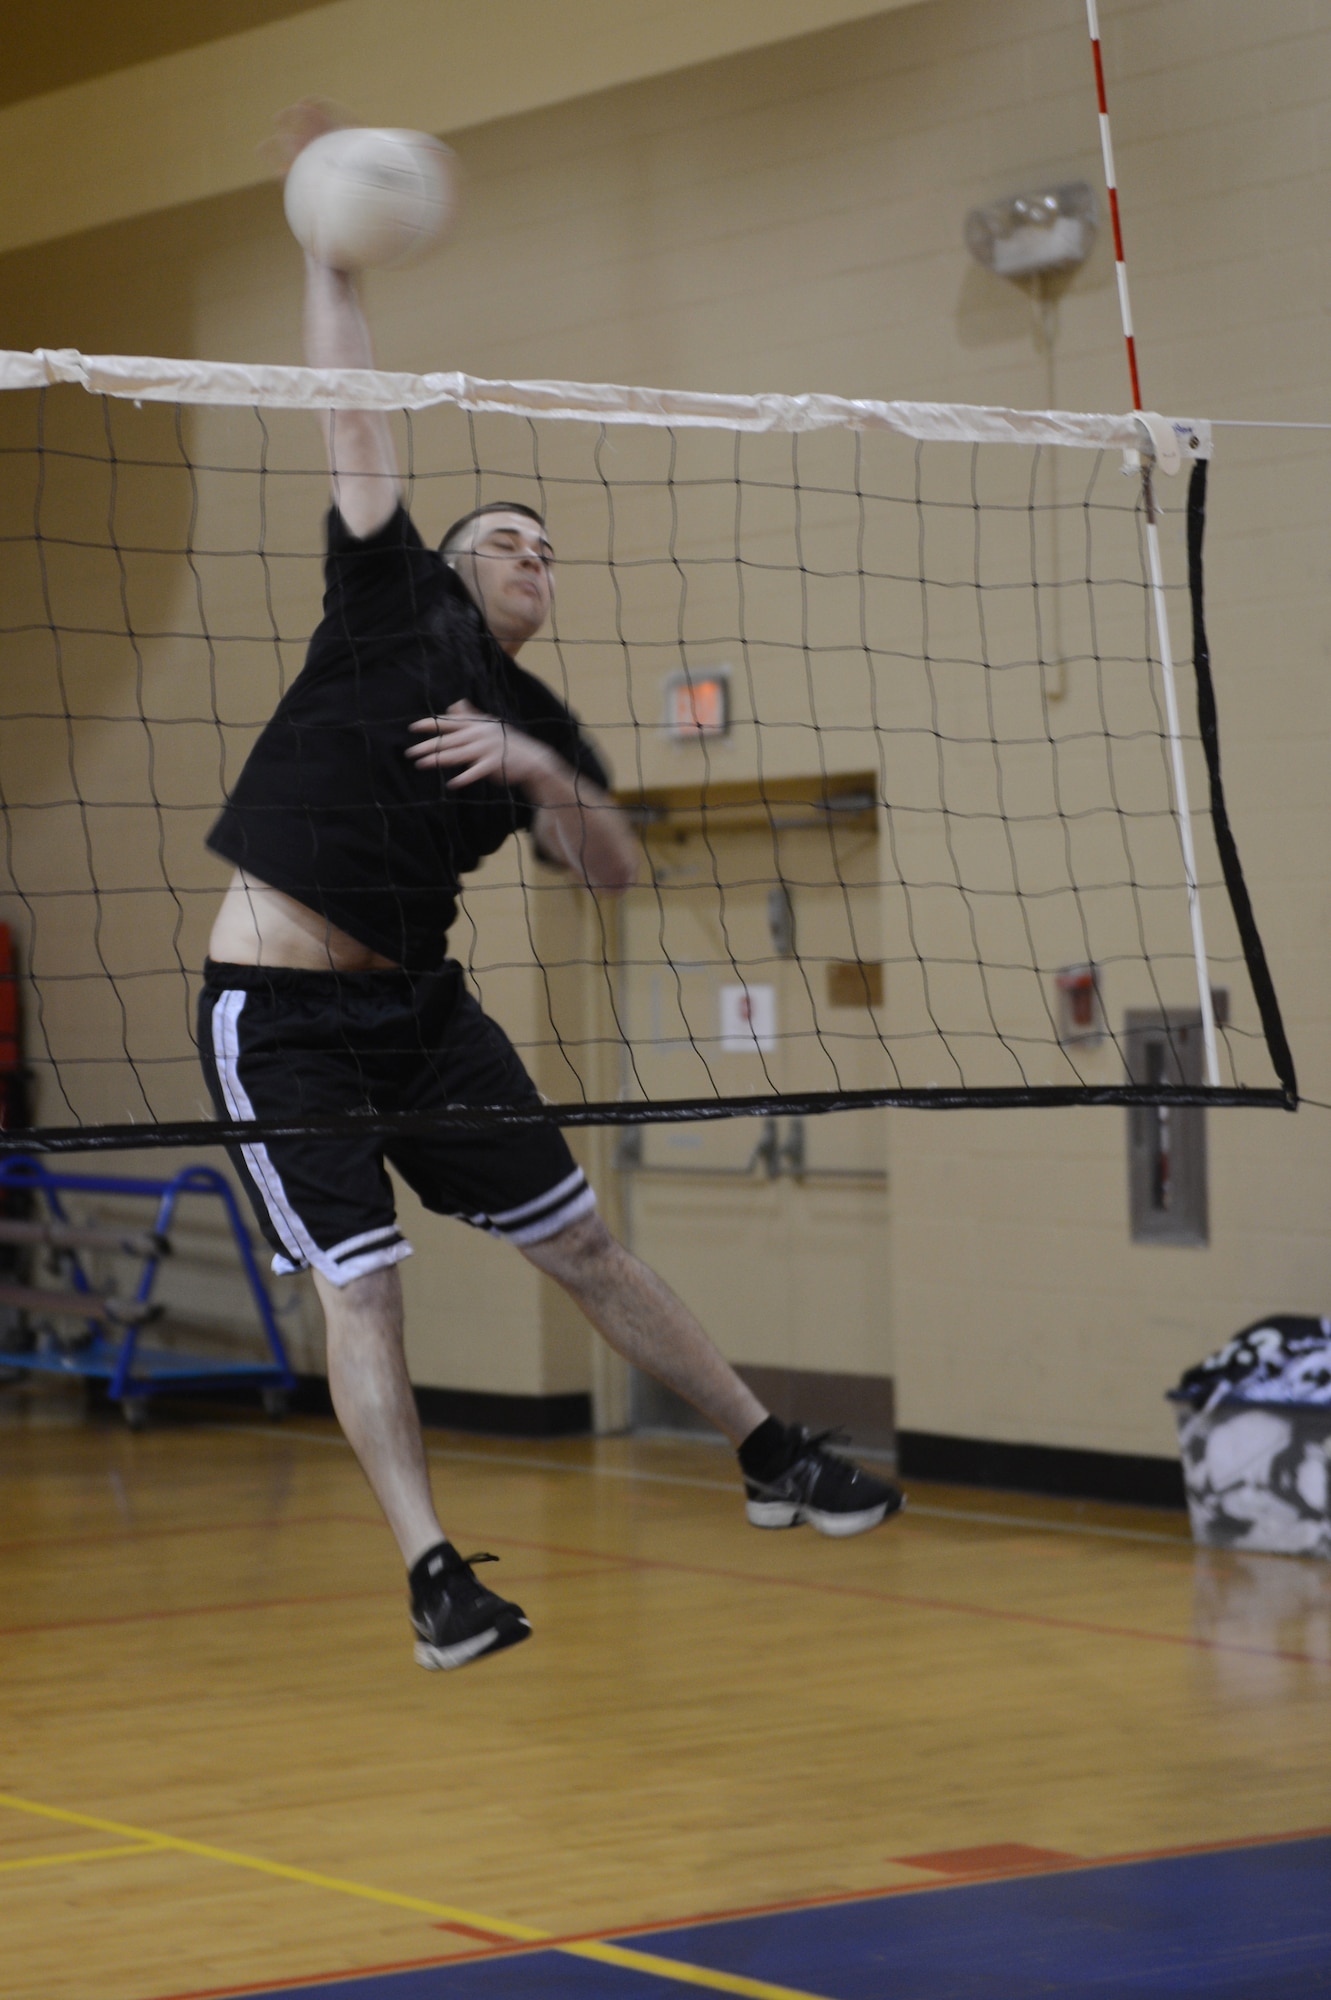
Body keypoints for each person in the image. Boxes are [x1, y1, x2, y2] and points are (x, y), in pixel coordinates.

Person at [199, 105, 902, 1673]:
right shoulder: (387, 594)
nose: (536, 555)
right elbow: (351, 409)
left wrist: (536, 776)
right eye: (509, 537)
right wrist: (326, 250)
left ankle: (768, 1449)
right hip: (284, 1012)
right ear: (448, 564)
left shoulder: (544, 724)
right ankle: (436, 1574)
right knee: (364, 1291)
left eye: (551, 550)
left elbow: (614, 866)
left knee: (584, 1240)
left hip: (427, 1014)